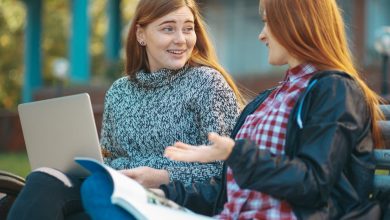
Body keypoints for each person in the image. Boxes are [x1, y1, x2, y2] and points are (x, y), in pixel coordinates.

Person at [81, 0, 384, 219]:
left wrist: (234, 153)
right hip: (227, 215)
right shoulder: (267, 100)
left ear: (297, 24)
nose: (261, 34)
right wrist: (164, 193)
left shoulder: (334, 90)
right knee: (97, 191)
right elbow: (225, 191)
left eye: (267, 22)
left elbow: (313, 184)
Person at [7, 0, 244, 219]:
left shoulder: (207, 83)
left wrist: (161, 176)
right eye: (168, 29)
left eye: (188, 28)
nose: (181, 39)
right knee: (40, 182)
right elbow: (109, 155)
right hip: (114, 187)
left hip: (169, 198)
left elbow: (228, 169)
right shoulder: (120, 91)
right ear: (141, 34)